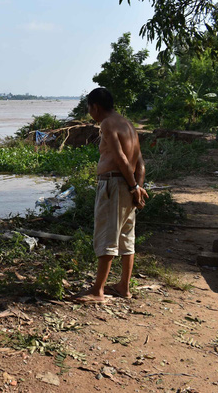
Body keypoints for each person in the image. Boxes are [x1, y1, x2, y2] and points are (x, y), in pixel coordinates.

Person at [73, 87, 148, 304]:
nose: (90, 113)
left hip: (114, 184)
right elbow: (140, 162)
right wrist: (137, 187)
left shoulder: (107, 123)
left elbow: (121, 157)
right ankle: (123, 286)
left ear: (95, 106)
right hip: (127, 184)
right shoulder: (128, 125)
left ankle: (98, 291)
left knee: (108, 234)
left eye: (89, 108)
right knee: (126, 236)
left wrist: (134, 188)